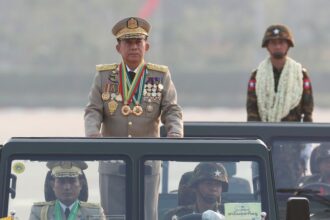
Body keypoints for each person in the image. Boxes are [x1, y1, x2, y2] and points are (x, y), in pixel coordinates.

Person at [84, 16, 183, 220]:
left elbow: (171, 109)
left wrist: (174, 131)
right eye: (128, 42)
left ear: (146, 46)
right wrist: (93, 133)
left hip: (147, 162)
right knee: (113, 215)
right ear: (118, 48)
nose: (134, 47)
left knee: (146, 215)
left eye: (138, 42)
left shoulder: (160, 75)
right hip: (112, 161)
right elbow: (93, 109)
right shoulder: (104, 76)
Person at [246, 24, 314, 122]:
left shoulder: (300, 75)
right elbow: (252, 112)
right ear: (267, 46)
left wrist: (306, 134)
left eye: (281, 42)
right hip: (265, 133)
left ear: (288, 45)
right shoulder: (257, 76)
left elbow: (308, 112)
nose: (277, 46)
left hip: (292, 132)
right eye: (273, 43)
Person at [29, 161, 105, 220]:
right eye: (61, 181)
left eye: (72, 181)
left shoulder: (95, 213)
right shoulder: (40, 212)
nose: (67, 187)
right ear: (52, 185)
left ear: (81, 184)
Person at [162, 162, 228, 220]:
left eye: (218, 185)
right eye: (209, 184)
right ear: (195, 187)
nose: (214, 188)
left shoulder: (230, 213)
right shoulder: (175, 216)